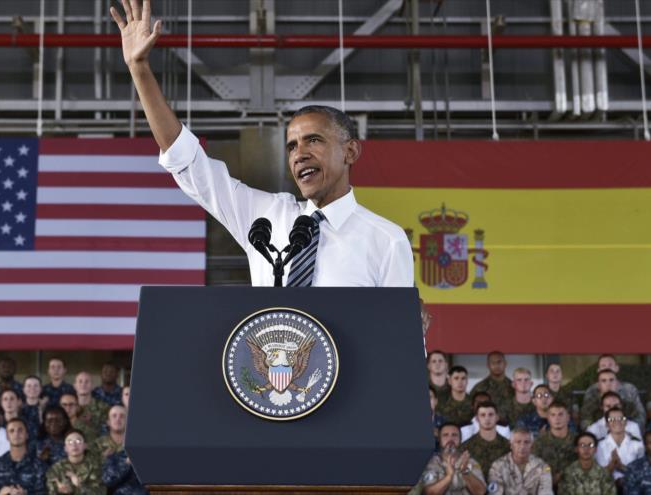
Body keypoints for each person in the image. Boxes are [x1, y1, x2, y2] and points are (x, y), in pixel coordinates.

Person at [109, 0, 414, 288]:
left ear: (351, 151)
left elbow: (394, 337)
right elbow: (188, 163)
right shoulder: (266, 218)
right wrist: (140, 70)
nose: (299, 154)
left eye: (314, 140)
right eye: (292, 146)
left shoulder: (386, 240)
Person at [418, 422, 487, 495]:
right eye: (445, 435)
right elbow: (429, 493)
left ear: (460, 439)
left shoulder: (469, 461)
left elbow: (481, 492)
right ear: (439, 439)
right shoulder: (431, 462)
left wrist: (465, 471)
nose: (450, 439)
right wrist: (449, 476)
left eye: (454, 435)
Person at [580, 355, 645, 430]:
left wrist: (628, 430)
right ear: (598, 370)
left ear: (617, 368)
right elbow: (585, 418)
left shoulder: (630, 389)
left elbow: (640, 416)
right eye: (603, 366)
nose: (607, 368)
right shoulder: (591, 391)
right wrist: (594, 432)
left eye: (610, 365)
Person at [0, 418, 48, 495]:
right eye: (12, 431)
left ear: (27, 435)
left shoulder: (40, 466)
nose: (16, 434)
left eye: (20, 430)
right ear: (7, 436)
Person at [487, 428, 552, 495]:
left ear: (532, 446)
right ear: (511, 445)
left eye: (526, 442)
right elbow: (494, 493)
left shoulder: (542, 466)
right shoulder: (498, 466)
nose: (522, 446)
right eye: (518, 442)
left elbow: (546, 491)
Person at [531, 402, 576, 487]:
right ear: (548, 418)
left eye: (560, 414)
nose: (557, 418)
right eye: (553, 415)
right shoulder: (540, 442)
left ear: (568, 417)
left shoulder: (577, 441)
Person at [594, 406, 644, 482]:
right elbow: (597, 476)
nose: (617, 421)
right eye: (612, 419)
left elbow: (642, 473)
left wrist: (621, 467)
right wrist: (612, 465)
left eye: (621, 418)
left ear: (626, 422)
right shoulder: (599, 445)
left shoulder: (638, 444)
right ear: (607, 424)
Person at [460, 402, 509, 477]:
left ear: (497, 417)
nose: (487, 418)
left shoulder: (508, 446)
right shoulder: (466, 447)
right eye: (483, 415)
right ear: (477, 418)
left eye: (491, 414)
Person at [470, 352, 513, 424]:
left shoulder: (514, 387)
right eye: (493, 363)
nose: (496, 365)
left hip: (509, 429)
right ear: (488, 365)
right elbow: (472, 411)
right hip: (486, 428)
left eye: (499, 362)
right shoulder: (479, 387)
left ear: (505, 363)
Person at [73, 372, 109, 438]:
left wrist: (91, 423)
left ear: (92, 386)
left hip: (95, 446)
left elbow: (107, 432)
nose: (83, 384)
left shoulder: (103, 407)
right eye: (80, 381)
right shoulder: (68, 406)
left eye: (87, 381)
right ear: (75, 386)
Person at [20, 376, 44, 441]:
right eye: (29, 386)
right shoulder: (18, 409)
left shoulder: (47, 409)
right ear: (23, 389)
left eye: (36, 386)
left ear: (41, 389)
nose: (32, 388)